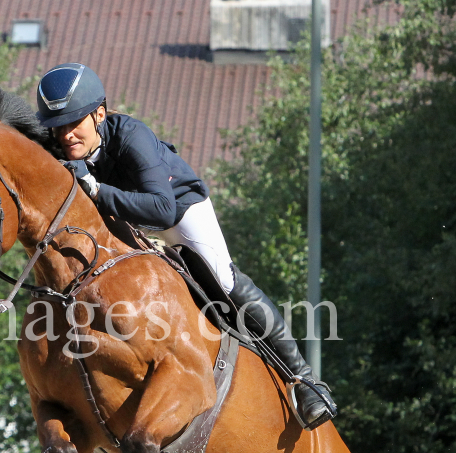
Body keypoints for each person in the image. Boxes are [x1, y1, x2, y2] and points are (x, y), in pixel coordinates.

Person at [35, 62, 336, 429]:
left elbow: (161, 209)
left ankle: (305, 379)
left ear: (98, 114)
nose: (65, 135)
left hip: (178, 211)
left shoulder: (131, 136)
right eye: (57, 126)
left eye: (74, 123)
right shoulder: (59, 143)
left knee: (223, 281)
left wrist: (96, 189)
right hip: (125, 219)